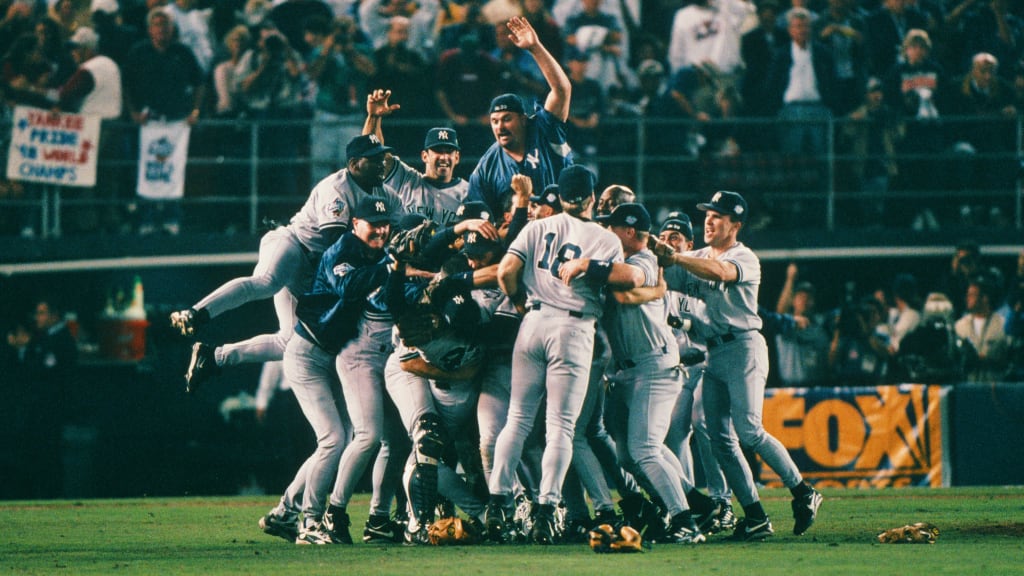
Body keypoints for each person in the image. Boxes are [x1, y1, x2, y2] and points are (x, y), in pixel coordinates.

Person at [648, 190, 823, 540]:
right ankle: (756, 516)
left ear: (736, 225)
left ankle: (803, 491)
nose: (710, 219)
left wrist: (676, 259)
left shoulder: (745, 256)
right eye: (708, 214)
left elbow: (720, 272)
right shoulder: (695, 255)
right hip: (713, 353)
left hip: (744, 347)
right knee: (720, 441)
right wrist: (649, 246)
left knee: (749, 430)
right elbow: (664, 273)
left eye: (718, 216)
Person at [172, 134, 402, 393]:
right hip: (294, 245)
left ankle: (214, 356)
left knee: (290, 342)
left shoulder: (387, 195)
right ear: (354, 164)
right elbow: (335, 244)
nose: (382, 163)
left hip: (314, 270)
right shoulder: (336, 188)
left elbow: (406, 226)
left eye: (382, 157)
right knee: (267, 282)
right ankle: (197, 313)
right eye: (373, 160)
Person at [485, 165, 625, 544]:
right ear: (592, 196)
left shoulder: (534, 226)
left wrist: (517, 301)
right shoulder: (605, 237)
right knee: (560, 427)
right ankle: (547, 508)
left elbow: (505, 271)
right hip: (574, 326)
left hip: (532, 320)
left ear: (561, 196)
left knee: (517, 419)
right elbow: (625, 285)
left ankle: (498, 502)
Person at [259, 195, 394, 545]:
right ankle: (311, 522)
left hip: (331, 357)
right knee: (333, 440)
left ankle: (287, 510)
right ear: (354, 224)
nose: (380, 229)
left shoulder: (377, 254)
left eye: (384, 223)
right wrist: (392, 265)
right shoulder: (342, 250)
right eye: (372, 223)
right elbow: (349, 288)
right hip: (307, 356)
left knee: (342, 440)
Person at [588, 202, 707, 544]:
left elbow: (624, 292)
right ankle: (694, 505)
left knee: (644, 449)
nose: (605, 231)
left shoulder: (642, 259)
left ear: (628, 231)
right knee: (627, 453)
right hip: (628, 371)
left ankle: (686, 520)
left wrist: (582, 264)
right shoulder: (632, 257)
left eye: (611, 227)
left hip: (654, 366)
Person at [466, 16, 573, 219]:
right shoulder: (486, 167)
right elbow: (479, 219)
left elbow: (562, 89)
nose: (500, 127)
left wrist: (535, 48)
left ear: (524, 119)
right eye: (495, 121)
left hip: (562, 231)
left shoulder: (542, 129)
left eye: (507, 119)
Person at [122, 8, 204, 235]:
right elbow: (126, 85)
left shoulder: (183, 52)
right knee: (147, 169)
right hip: (149, 122)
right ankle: (147, 219)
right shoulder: (138, 52)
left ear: (172, 29)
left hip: (177, 122)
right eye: (157, 25)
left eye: (165, 25)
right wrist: (132, 112)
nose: (161, 30)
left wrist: (195, 111)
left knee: (173, 169)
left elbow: (199, 82)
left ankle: (171, 218)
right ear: (150, 30)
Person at [363, 89, 471, 226]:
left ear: (457, 157)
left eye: (449, 152)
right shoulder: (406, 180)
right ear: (424, 156)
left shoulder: (467, 192)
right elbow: (373, 154)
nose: (444, 157)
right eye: (437, 151)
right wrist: (374, 117)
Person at [954, 276, 1010, 382]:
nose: (967, 298)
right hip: (967, 387)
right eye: (967, 295)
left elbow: (1009, 358)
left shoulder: (1002, 325)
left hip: (994, 388)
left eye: (972, 295)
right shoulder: (960, 325)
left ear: (984, 298)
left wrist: (987, 360)